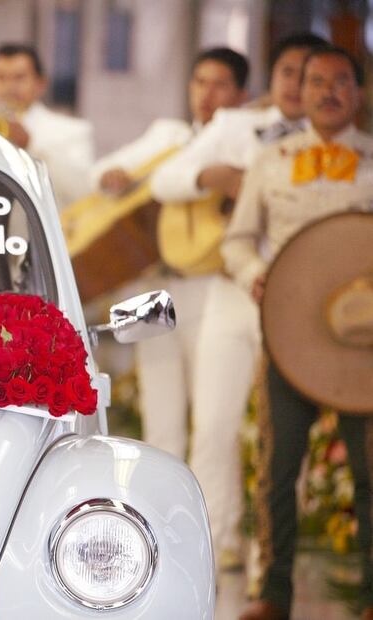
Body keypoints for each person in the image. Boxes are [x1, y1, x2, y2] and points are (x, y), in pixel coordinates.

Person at [146, 33, 328, 569]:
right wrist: (212, 175)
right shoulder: (233, 126)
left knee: (286, 434)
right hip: (232, 292)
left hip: (297, 300)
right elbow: (164, 179)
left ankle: (274, 558)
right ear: (271, 80)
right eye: (287, 72)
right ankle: (212, 541)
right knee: (215, 422)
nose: (296, 84)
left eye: (309, 75)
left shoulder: (341, 146)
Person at [222, 47, 373, 620]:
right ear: (301, 91)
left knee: (370, 472)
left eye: (341, 81)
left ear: (357, 93)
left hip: (363, 345)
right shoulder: (271, 160)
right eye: (316, 81)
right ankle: (272, 595)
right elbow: (237, 240)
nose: (328, 91)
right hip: (288, 340)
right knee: (278, 469)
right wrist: (257, 277)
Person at [89, 47, 248, 195]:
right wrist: (110, 176)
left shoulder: (242, 145)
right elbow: (98, 172)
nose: (206, 94)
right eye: (200, 83)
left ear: (242, 96)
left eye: (219, 86)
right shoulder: (171, 134)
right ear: (190, 86)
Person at [0, 43, 93, 206]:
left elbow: (82, 191)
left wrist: (31, 145)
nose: (9, 87)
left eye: (19, 78)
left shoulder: (73, 130)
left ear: (40, 84)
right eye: (0, 78)